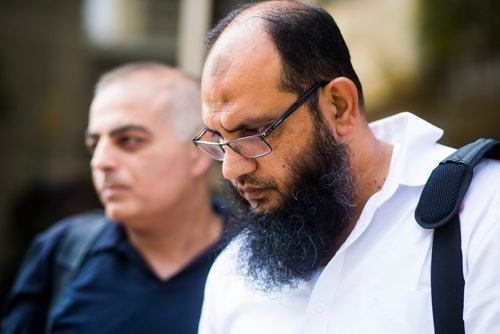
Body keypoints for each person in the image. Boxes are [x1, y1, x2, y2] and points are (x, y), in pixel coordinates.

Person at [192, 1, 500, 333]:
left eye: (253, 132)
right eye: (219, 139)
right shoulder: (233, 271)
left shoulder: (483, 215)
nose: (231, 169)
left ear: (339, 107)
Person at [1, 62, 225, 334]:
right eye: (94, 146)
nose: (101, 162)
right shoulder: (62, 252)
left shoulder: (254, 260)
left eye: (129, 140)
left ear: (201, 152)